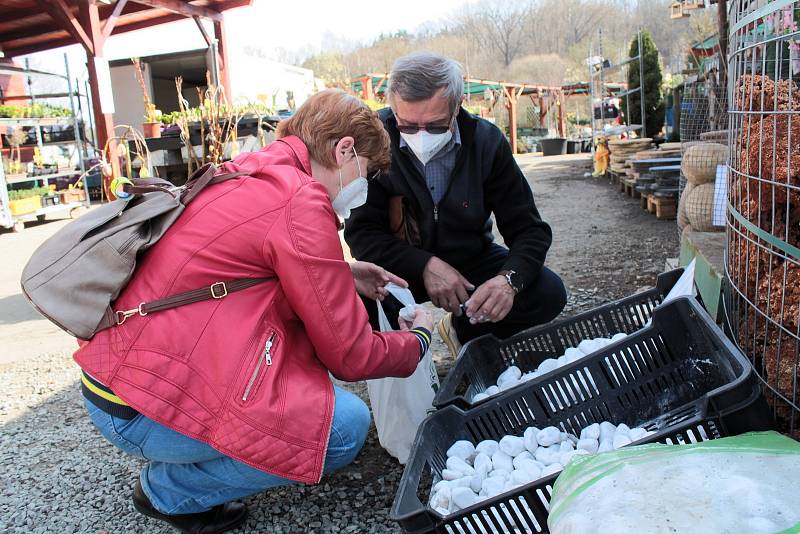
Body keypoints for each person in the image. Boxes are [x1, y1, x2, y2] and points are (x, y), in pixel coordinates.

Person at [74, 89, 434, 534]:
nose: (365, 186)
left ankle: (190, 462)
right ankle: (171, 490)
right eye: (368, 173)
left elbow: (250, 264)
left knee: (304, 390)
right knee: (340, 428)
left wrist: (342, 272)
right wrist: (417, 340)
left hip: (114, 381)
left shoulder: (249, 171)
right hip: (140, 410)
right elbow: (350, 356)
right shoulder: (302, 200)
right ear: (345, 150)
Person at [345, 52, 566, 357]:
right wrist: (424, 265)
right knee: (350, 305)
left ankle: (468, 330)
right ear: (393, 108)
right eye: (407, 126)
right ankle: (397, 360)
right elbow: (362, 236)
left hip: (470, 260)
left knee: (546, 292)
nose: (420, 137)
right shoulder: (373, 139)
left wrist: (507, 282)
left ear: (458, 105)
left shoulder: (487, 142)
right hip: (400, 267)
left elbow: (530, 230)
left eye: (435, 126)